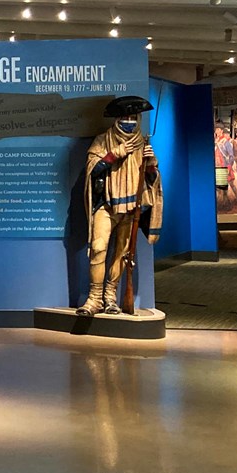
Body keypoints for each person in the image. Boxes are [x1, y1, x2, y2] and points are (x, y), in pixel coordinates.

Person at [79, 96, 164, 316]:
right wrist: (116, 153)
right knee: (98, 249)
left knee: (122, 254)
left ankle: (110, 297)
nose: (129, 121)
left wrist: (151, 163)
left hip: (131, 208)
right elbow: (93, 170)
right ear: (116, 119)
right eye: (125, 117)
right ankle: (94, 298)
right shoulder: (102, 140)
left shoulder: (143, 143)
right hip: (106, 205)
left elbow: (152, 181)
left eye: (133, 117)